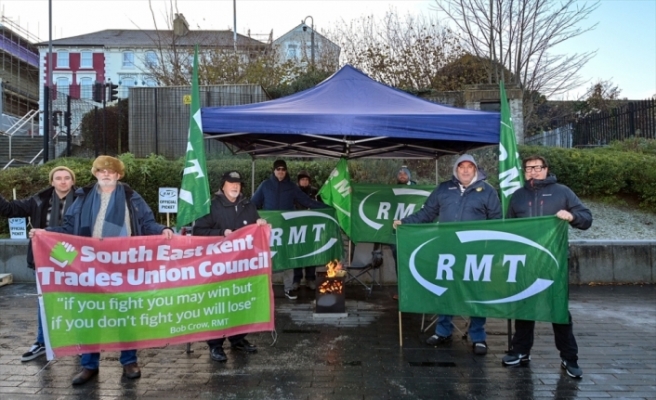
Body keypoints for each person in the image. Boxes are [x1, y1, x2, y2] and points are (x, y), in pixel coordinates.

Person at [31, 156, 174, 385]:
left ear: (118, 175)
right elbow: (68, 227)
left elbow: (147, 222)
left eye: (111, 171)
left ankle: (129, 361)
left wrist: (163, 229)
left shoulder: (130, 196)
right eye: (101, 170)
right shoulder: (83, 196)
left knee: (125, 315)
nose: (106, 174)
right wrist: (44, 233)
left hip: (124, 264)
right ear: (95, 173)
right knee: (89, 315)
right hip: (90, 265)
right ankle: (89, 365)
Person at [393, 154, 501, 355]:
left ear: (476, 169)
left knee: (476, 293)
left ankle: (478, 337)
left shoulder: (488, 191)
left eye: (470, 167)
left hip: (475, 255)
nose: (466, 170)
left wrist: (493, 252)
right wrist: (405, 222)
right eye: (462, 167)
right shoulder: (443, 189)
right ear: (456, 169)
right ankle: (443, 331)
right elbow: (426, 213)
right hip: (446, 252)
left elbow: (497, 223)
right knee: (444, 291)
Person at [502, 155, 592, 379]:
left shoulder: (562, 192)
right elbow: (508, 229)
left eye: (537, 167)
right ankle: (521, 351)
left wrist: (571, 216)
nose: (532, 171)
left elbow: (586, 218)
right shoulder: (517, 196)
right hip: (526, 262)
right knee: (523, 306)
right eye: (528, 168)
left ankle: (569, 358)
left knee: (558, 311)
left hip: (554, 263)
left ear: (546, 169)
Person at [0, 166, 77, 362]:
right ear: (52, 182)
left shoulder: (83, 200)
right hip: (44, 258)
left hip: (74, 258)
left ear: (73, 181)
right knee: (45, 301)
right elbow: (9, 209)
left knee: (77, 301)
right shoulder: (39, 200)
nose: (62, 181)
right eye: (58, 178)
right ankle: (42, 342)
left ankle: (80, 341)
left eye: (67, 178)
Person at [193, 170, 267, 362]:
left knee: (240, 303)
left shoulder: (248, 205)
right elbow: (198, 231)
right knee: (219, 305)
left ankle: (238, 339)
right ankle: (215, 345)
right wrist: (221, 232)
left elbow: (255, 230)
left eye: (238, 183)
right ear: (222, 185)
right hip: (218, 267)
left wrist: (260, 224)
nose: (235, 186)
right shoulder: (211, 206)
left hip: (242, 267)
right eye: (231, 183)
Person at [251, 160, 325, 300]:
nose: (280, 171)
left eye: (283, 169)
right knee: (268, 259)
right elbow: (253, 204)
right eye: (278, 169)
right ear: (273, 170)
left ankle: (288, 288)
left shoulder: (291, 187)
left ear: (286, 171)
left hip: (287, 229)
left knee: (288, 258)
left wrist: (326, 209)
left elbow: (306, 201)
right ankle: (265, 289)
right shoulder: (265, 185)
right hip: (269, 230)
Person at [391, 166, 416, 299]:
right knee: (399, 262)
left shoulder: (418, 190)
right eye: (399, 173)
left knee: (415, 260)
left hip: (414, 233)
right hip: (397, 234)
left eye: (405, 173)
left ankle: (415, 290)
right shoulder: (391, 191)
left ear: (409, 176)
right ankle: (402, 291)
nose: (402, 175)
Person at [293, 170, 320, 290]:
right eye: (302, 179)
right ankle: (296, 279)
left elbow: (322, 205)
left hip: (311, 227)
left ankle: (310, 279)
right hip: (296, 227)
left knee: (311, 253)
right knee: (297, 254)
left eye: (306, 179)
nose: (304, 181)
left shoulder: (315, 192)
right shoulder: (293, 192)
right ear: (298, 181)